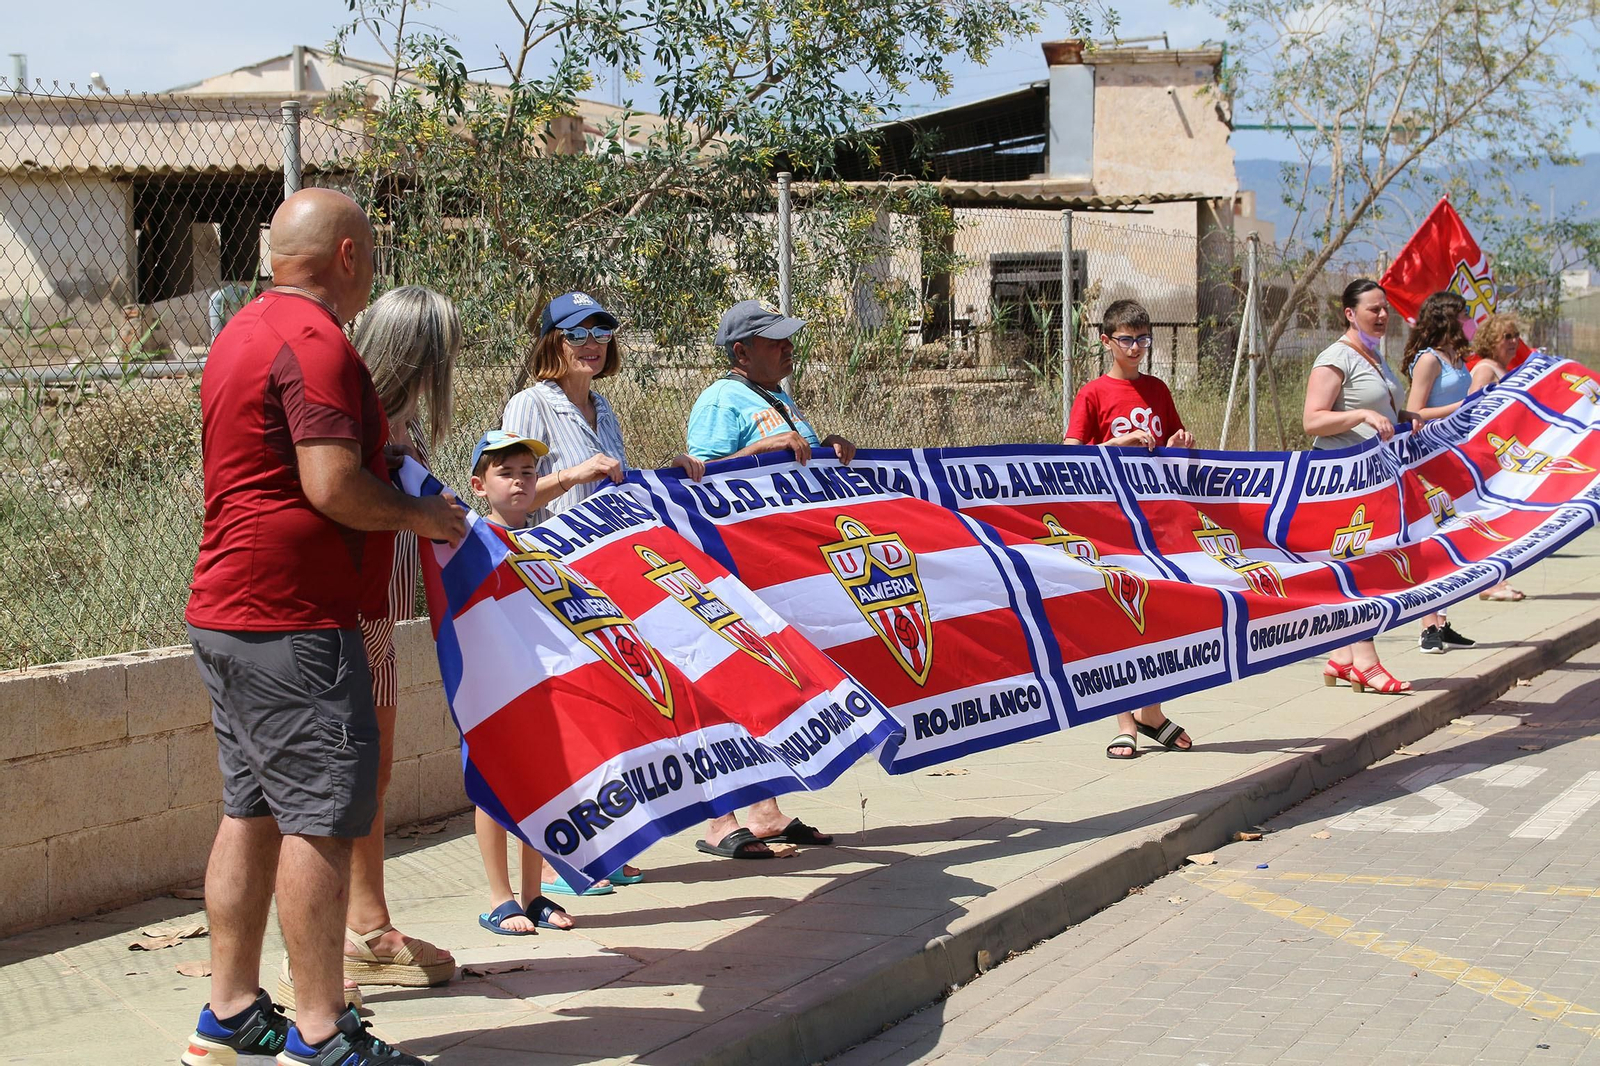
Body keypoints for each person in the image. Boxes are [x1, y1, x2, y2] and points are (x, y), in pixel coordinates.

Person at [180, 188, 465, 1066]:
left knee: (252, 811)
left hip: (229, 610)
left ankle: (228, 1012)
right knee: (320, 820)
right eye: (371, 251)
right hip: (296, 619)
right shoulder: (318, 344)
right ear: (347, 256)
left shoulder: (239, 333)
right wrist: (430, 519)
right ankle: (319, 1030)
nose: (373, 267)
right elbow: (332, 485)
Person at [274, 286, 463, 1009]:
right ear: (418, 352)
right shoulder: (356, 416)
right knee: (335, 786)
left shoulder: (391, 420)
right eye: (442, 349)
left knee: (373, 776)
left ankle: (368, 927)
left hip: (379, 613)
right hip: (341, 616)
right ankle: (312, 958)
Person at [501, 290, 704, 885]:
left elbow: (618, 491)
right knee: (570, 717)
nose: (592, 342)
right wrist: (571, 473)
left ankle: (603, 845)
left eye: (602, 330)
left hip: (604, 583)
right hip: (548, 579)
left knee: (612, 710)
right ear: (551, 343)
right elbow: (508, 496)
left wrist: (671, 470)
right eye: (576, 333)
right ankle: (568, 858)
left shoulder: (606, 409)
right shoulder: (530, 406)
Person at [682, 299, 853, 858]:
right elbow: (698, 479)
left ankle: (766, 811)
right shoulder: (718, 399)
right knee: (726, 684)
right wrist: (763, 448)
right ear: (740, 352)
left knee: (776, 685)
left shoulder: (777, 397)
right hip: (731, 567)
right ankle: (719, 819)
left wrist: (831, 450)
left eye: (787, 340)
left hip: (776, 568)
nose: (787, 349)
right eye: (775, 341)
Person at [462, 429, 596, 934]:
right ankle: (500, 897)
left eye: (527, 473)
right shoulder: (469, 537)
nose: (519, 483)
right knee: (494, 786)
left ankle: (534, 894)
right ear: (479, 485)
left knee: (539, 784)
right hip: (490, 686)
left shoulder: (544, 540)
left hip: (539, 683)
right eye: (505, 473)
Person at [1063, 299, 1197, 760]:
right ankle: (1125, 723)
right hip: (1110, 523)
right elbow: (1068, 453)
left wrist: (1182, 443)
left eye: (1143, 339)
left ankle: (1152, 713)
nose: (1136, 347)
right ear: (1107, 342)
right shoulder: (1093, 393)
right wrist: (1115, 444)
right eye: (1127, 339)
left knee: (1159, 613)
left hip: (1155, 521)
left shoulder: (1158, 389)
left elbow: (1176, 439)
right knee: (1122, 615)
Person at [1303, 278, 1418, 696]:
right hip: (1340, 483)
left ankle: (1344, 658)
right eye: (1374, 309)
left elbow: (1384, 409)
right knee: (1361, 566)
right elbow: (1313, 420)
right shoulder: (1336, 357)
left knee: (1368, 564)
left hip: (1376, 479)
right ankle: (1366, 661)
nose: (1383, 315)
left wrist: (1411, 416)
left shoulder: (1375, 357)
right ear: (1350, 313)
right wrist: (1362, 418)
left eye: (1386, 308)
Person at [1402, 291, 1478, 655]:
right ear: (1447, 319)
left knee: (1455, 540)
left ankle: (1443, 622)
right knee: (1432, 540)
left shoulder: (1458, 359)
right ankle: (1426, 625)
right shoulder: (1428, 361)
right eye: (1463, 315)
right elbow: (1412, 412)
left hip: (1455, 457)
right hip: (1429, 460)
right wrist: (1460, 407)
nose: (1469, 322)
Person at [1469, 313, 1528, 603]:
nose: (1514, 342)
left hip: (1507, 457)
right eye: (1507, 336)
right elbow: (1473, 413)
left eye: (1516, 335)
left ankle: (1497, 578)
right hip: (1490, 458)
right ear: (1491, 340)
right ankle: (1490, 581)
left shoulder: (1507, 369)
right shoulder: (1485, 368)